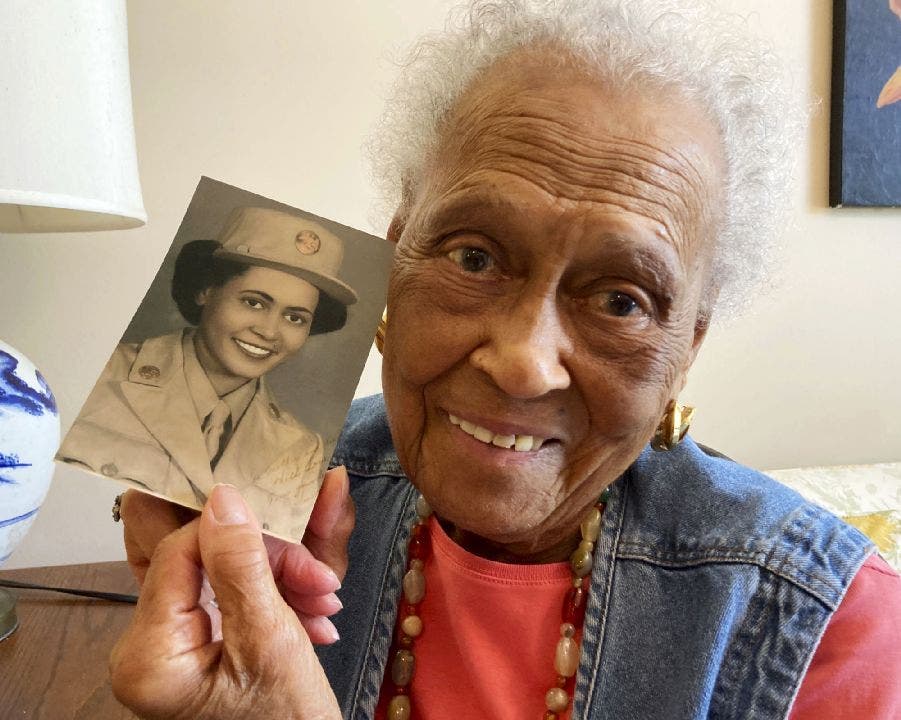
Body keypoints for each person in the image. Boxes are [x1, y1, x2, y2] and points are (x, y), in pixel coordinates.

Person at [108, 1, 901, 719]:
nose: (523, 364)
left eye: (621, 300)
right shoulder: (268, 488)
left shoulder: (834, 627)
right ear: (394, 258)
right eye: (474, 257)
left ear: (685, 348)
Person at [57, 206, 358, 540]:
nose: (270, 332)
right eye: (254, 303)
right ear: (205, 291)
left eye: (295, 318)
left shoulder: (303, 450)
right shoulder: (104, 373)